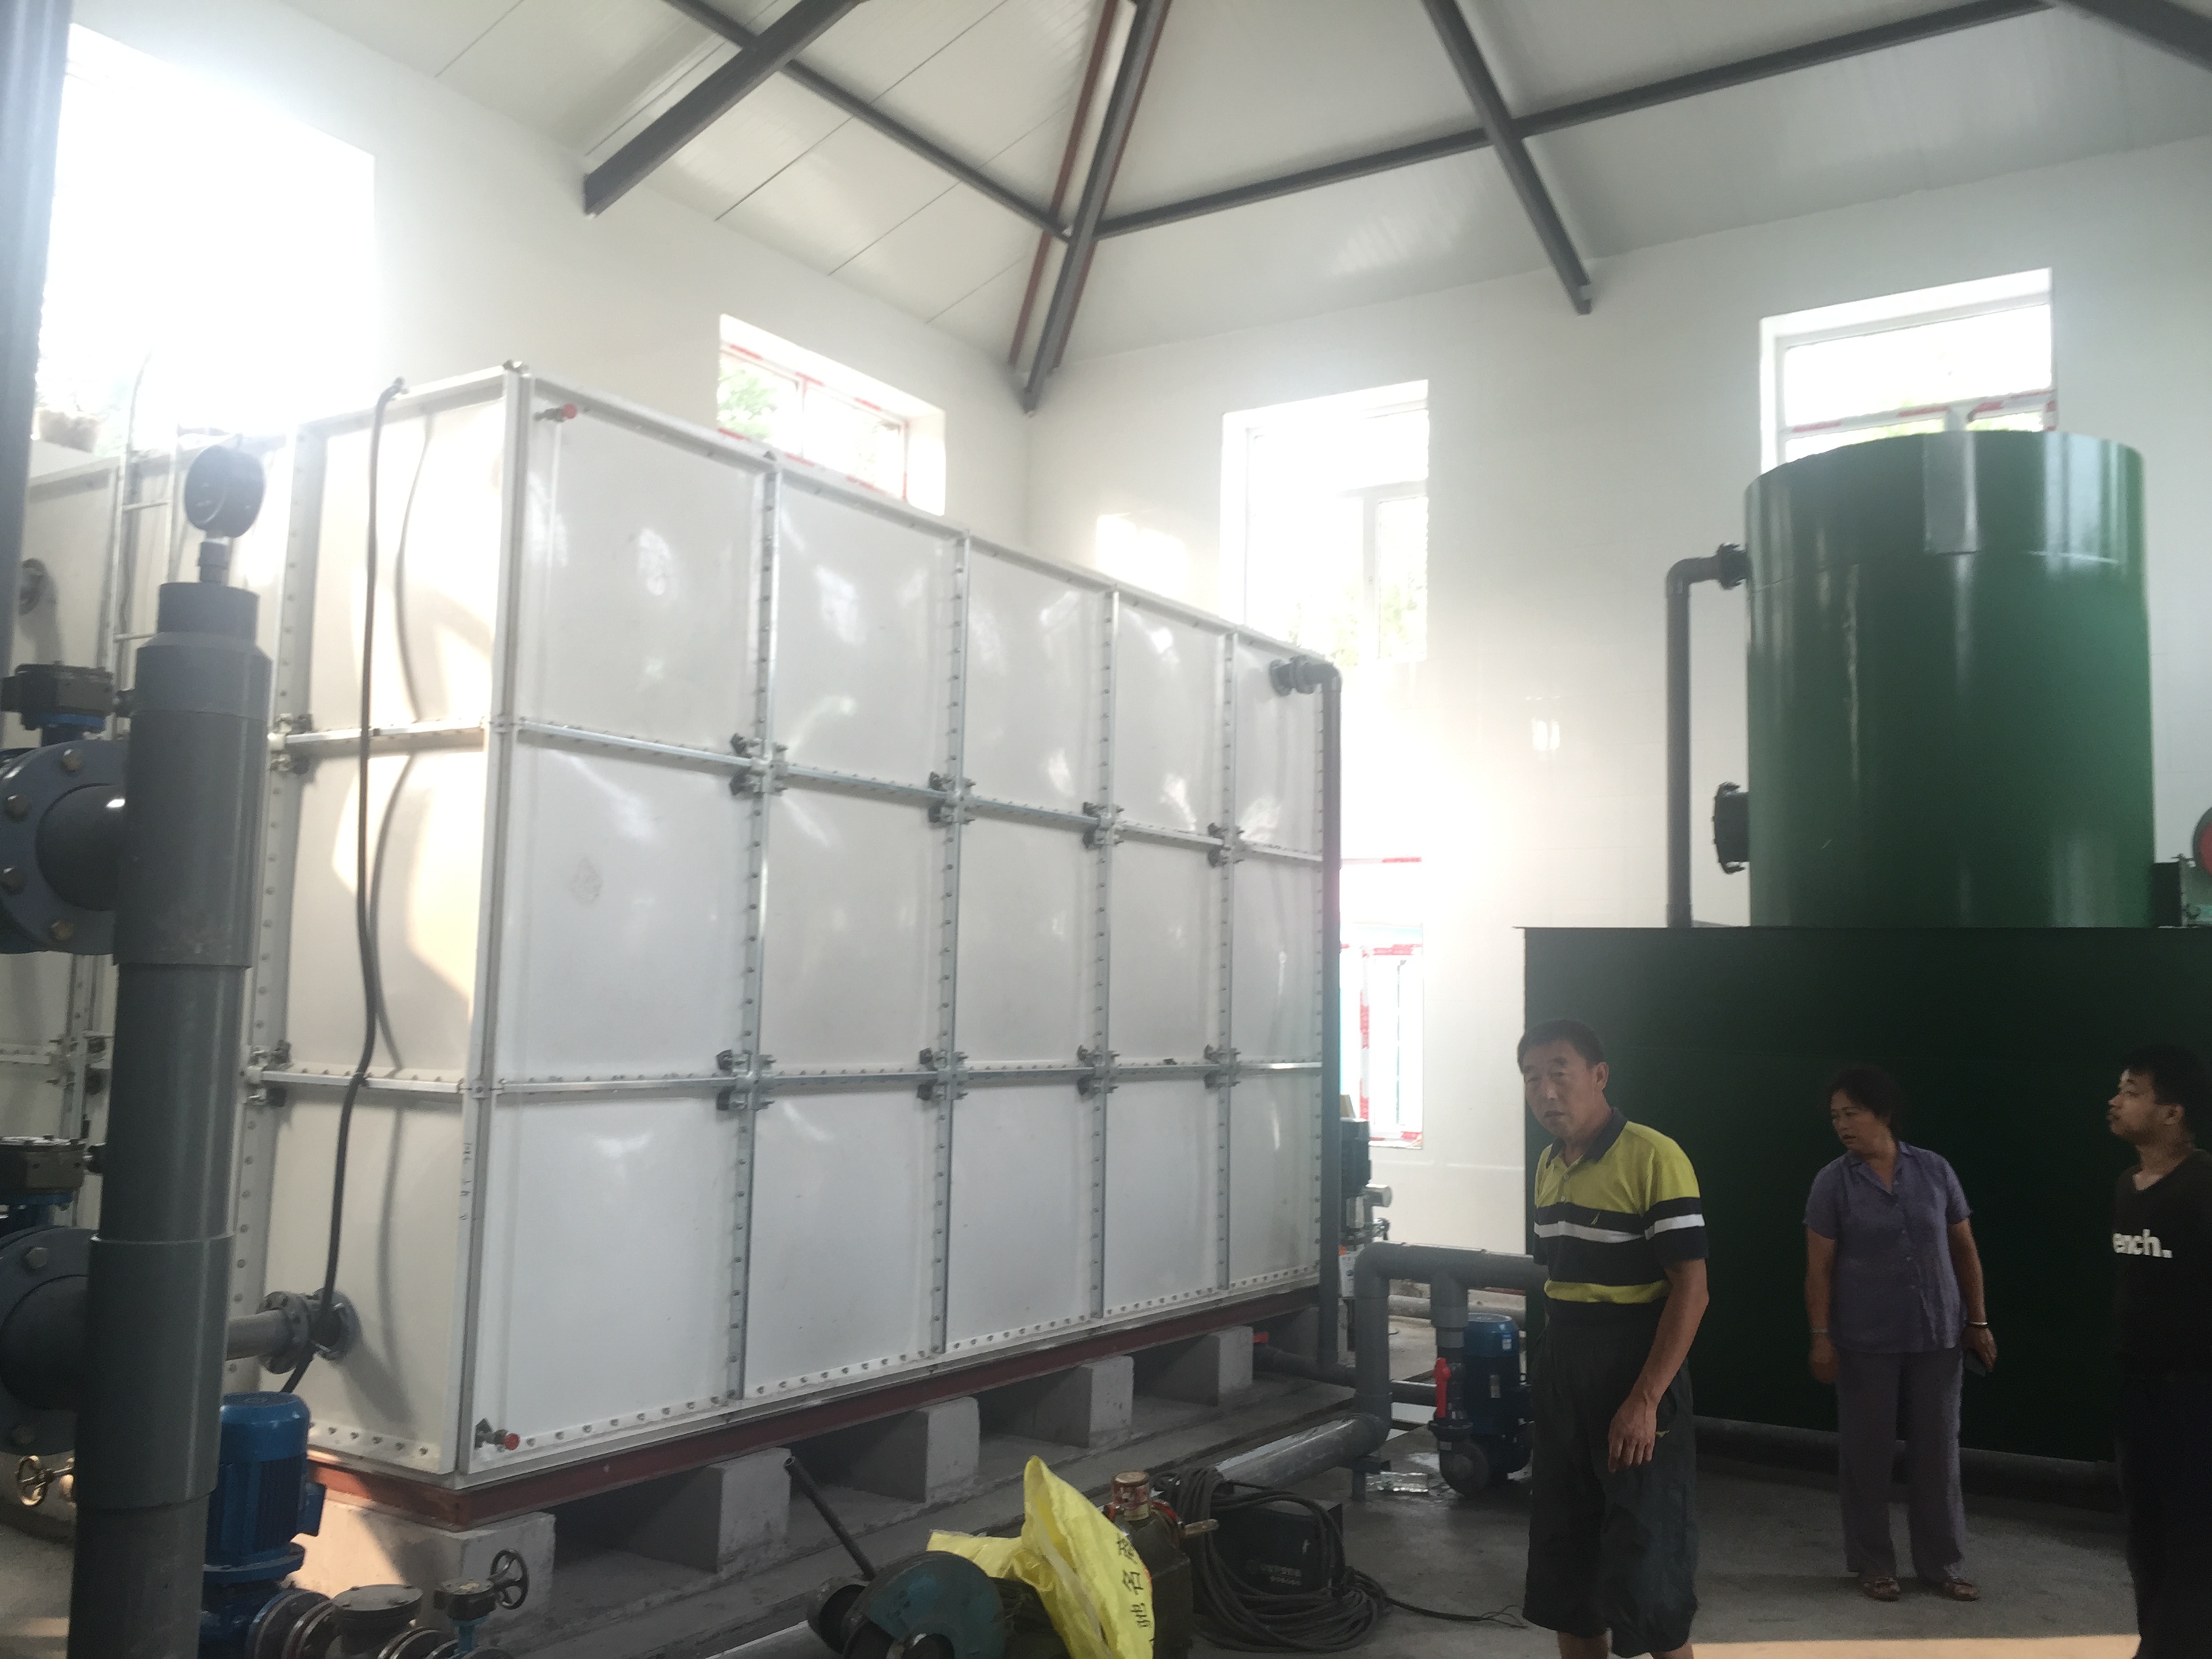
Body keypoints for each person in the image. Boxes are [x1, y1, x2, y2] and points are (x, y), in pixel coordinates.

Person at [1521, 1018, 1708, 1659]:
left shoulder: (1654, 1156)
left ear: (1599, 1076)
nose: (1546, 1091)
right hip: (1563, 1364)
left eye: (1559, 1073)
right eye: (1532, 1078)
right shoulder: (1548, 1165)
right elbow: (1560, 1276)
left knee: (1648, 1567)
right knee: (1566, 1562)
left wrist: (1645, 1400)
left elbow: (1692, 1289)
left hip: (1633, 1363)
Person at [1802, 1065, 1993, 1603]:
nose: (1842, 1125)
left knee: (1939, 1454)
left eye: (1852, 1113)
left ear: (1883, 1113)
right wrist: (1820, 1336)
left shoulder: (1934, 1170)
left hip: (1938, 1334)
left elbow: (1964, 1249)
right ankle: (1873, 1563)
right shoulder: (1832, 1183)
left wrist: (1977, 1321)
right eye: (1835, 1117)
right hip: (1864, 1339)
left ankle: (1944, 1565)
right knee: (1867, 1456)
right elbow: (1818, 1268)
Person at [2106, 1043, 2212, 1656]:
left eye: (2131, 1092)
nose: (2115, 1102)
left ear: (2172, 1112)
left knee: (2191, 1541)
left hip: (2196, 1398)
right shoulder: (2127, 1186)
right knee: (2144, 1541)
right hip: (2137, 1395)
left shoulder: (2203, 1187)